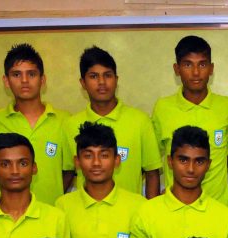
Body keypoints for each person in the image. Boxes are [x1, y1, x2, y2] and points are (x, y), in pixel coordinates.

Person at [63, 46, 161, 198]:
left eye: (107, 75)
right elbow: (67, 174)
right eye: (94, 76)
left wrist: (150, 216)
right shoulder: (70, 125)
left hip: (130, 216)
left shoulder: (140, 121)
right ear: (83, 83)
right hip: (86, 215)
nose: (102, 82)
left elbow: (152, 173)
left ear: (116, 80)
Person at [153, 35, 228, 205]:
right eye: (188, 64)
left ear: (211, 68)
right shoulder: (162, 108)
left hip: (217, 211)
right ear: (177, 69)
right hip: (174, 209)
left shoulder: (227, 107)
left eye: (202, 64)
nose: (196, 72)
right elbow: (152, 162)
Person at [0, 43, 72, 205]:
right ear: (6, 81)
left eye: (31, 74)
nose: (24, 81)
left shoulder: (63, 120)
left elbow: (68, 170)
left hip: (50, 214)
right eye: (16, 74)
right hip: (10, 213)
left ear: (43, 80)